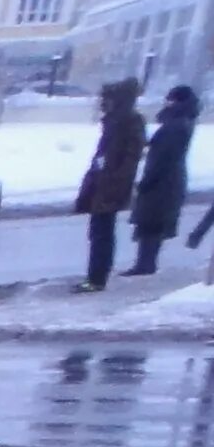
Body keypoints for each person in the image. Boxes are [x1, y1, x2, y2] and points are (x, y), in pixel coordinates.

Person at [76, 78, 146, 292]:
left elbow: (129, 160)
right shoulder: (114, 122)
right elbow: (103, 156)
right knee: (98, 232)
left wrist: (114, 184)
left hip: (109, 188)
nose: (102, 103)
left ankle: (97, 279)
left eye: (106, 99)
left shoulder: (129, 122)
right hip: (102, 184)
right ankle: (95, 277)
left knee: (102, 233)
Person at [131, 83, 196, 276]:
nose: (166, 103)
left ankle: (145, 265)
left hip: (162, 182)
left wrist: (147, 181)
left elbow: (162, 157)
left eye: (170, 99)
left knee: (150, 221)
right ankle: (146, 264)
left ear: (177, 101)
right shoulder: (183, 122)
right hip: (170, 181)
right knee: (154, 222)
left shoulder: (175, 126)